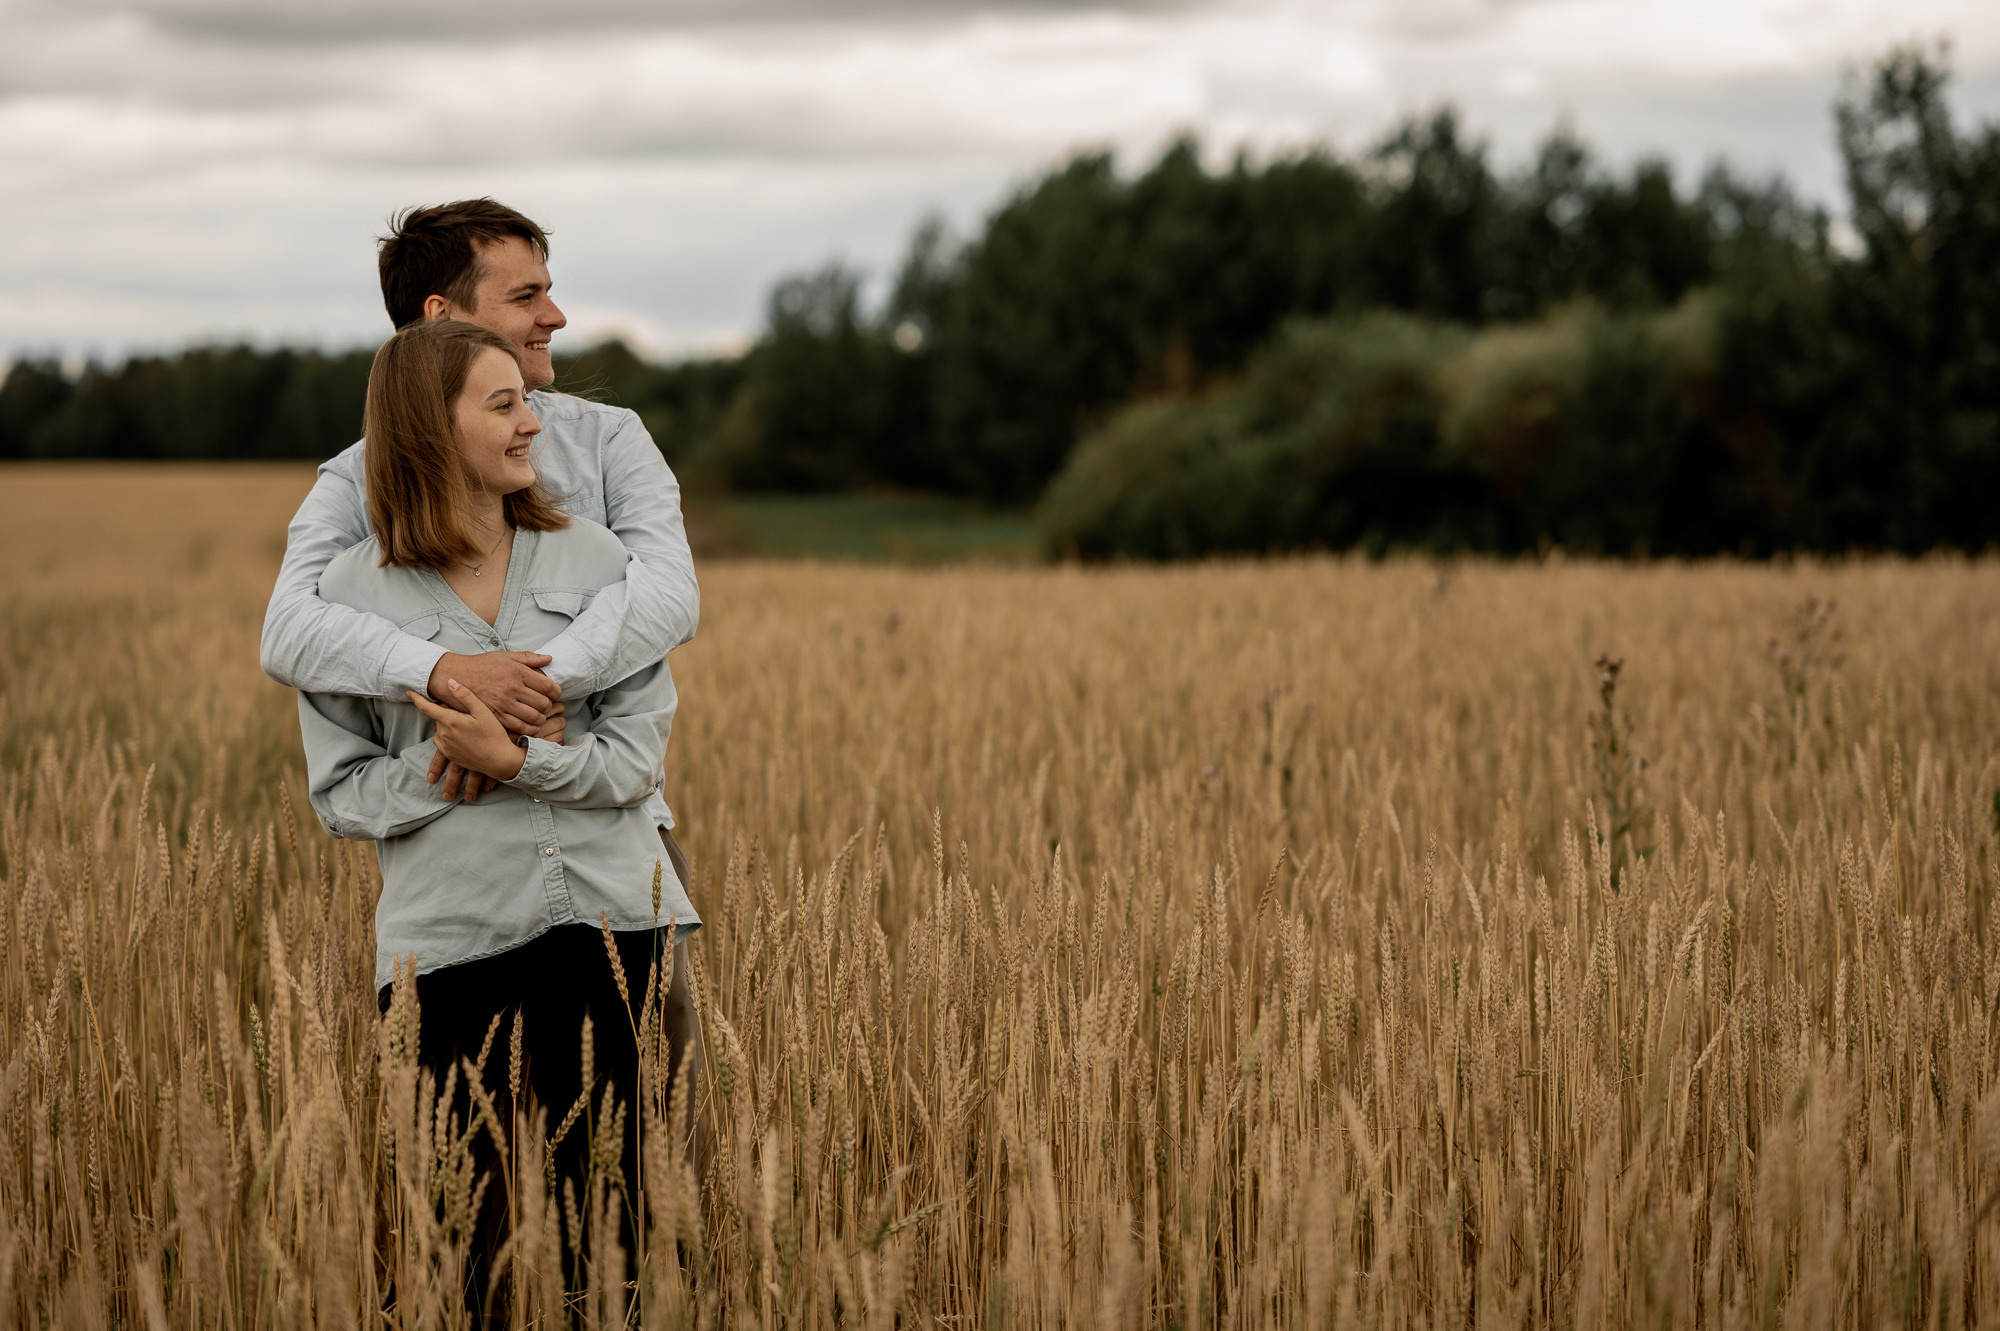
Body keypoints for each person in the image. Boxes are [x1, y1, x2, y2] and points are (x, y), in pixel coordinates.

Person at [258, 198, 703, 1118]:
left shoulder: (607, 438)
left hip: (616, 850)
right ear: (443, 318)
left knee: (647, 1159)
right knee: (474, 1198)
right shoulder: (359, 478)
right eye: (528, 294)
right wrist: (448, 677)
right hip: (463, 892)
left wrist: (525, 697)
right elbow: (291, 633)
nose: (556, 316)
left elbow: (668, 596)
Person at [297, 318, 700, 1311]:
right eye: (505, 403)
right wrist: (446, 767)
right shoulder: (347, 599)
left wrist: (517, 760)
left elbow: (635, 759)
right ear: (433, 429)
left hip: (613, 928)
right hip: (448, 948)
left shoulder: (601, 564)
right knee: (461, 1252)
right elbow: (341, 790)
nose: (535, 423)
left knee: (622, 1247)